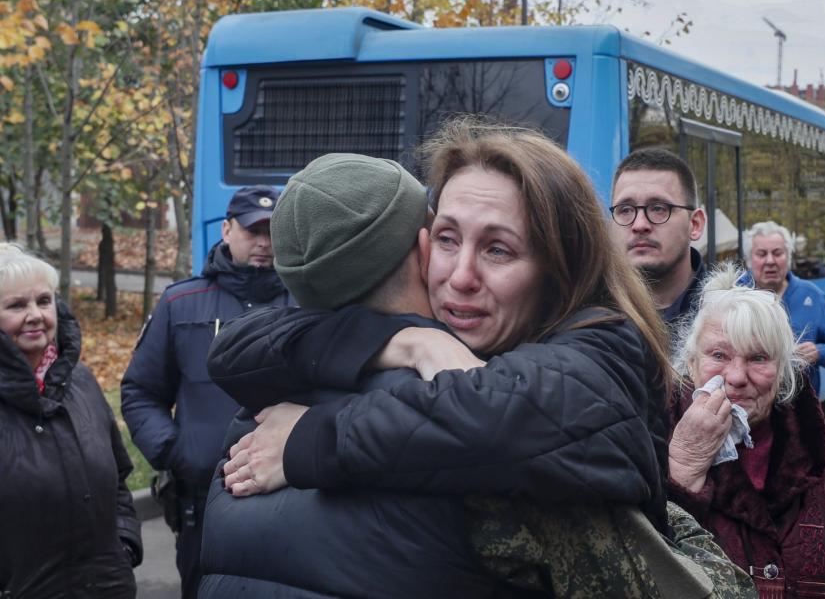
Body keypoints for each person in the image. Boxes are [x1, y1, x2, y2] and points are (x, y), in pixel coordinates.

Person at [201, 130, 753, 597]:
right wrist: (401, 341)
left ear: (561, 268)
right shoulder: (420, 347)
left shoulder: (600, 350)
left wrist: (309, 440)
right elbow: (234, 347)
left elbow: (517, 410)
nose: (460, 275)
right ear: (422, 245)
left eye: (498, 249)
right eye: (447, 239)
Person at [667, 263, 825, 598]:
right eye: (719, 354)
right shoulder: (649, 446)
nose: (736, 376)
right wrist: (681, 477)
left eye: (758, 358)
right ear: (690, 363)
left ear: (783, 371)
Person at [120, 185, 294, 598]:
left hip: (286, 494)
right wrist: (178, 453)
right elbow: (140, 391)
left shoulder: (304, 303)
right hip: (202, 501)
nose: (264, 244)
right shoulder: (181, 303)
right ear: (228, 229)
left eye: (272, 233)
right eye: (253, 231)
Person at [0, 243, 142, 597]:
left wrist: (124, 544)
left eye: (43, 301)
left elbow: (120, 478)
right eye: (17, 305)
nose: (35, 314)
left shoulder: (80, 380)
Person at [742, 220, 825, 396]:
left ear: (789, 257)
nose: (770, 261)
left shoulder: (812, 296)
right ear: (748, 260)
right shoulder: (732, 296)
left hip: (799, 415)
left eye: (777, 253)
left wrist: (819, 352)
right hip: (746, 411)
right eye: (761, 254)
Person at [608, 148, 707, 331]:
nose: (639, 224)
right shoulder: (584, 317)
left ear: (695, 224)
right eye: (625, 210)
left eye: (659, 208)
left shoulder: (733, 317)